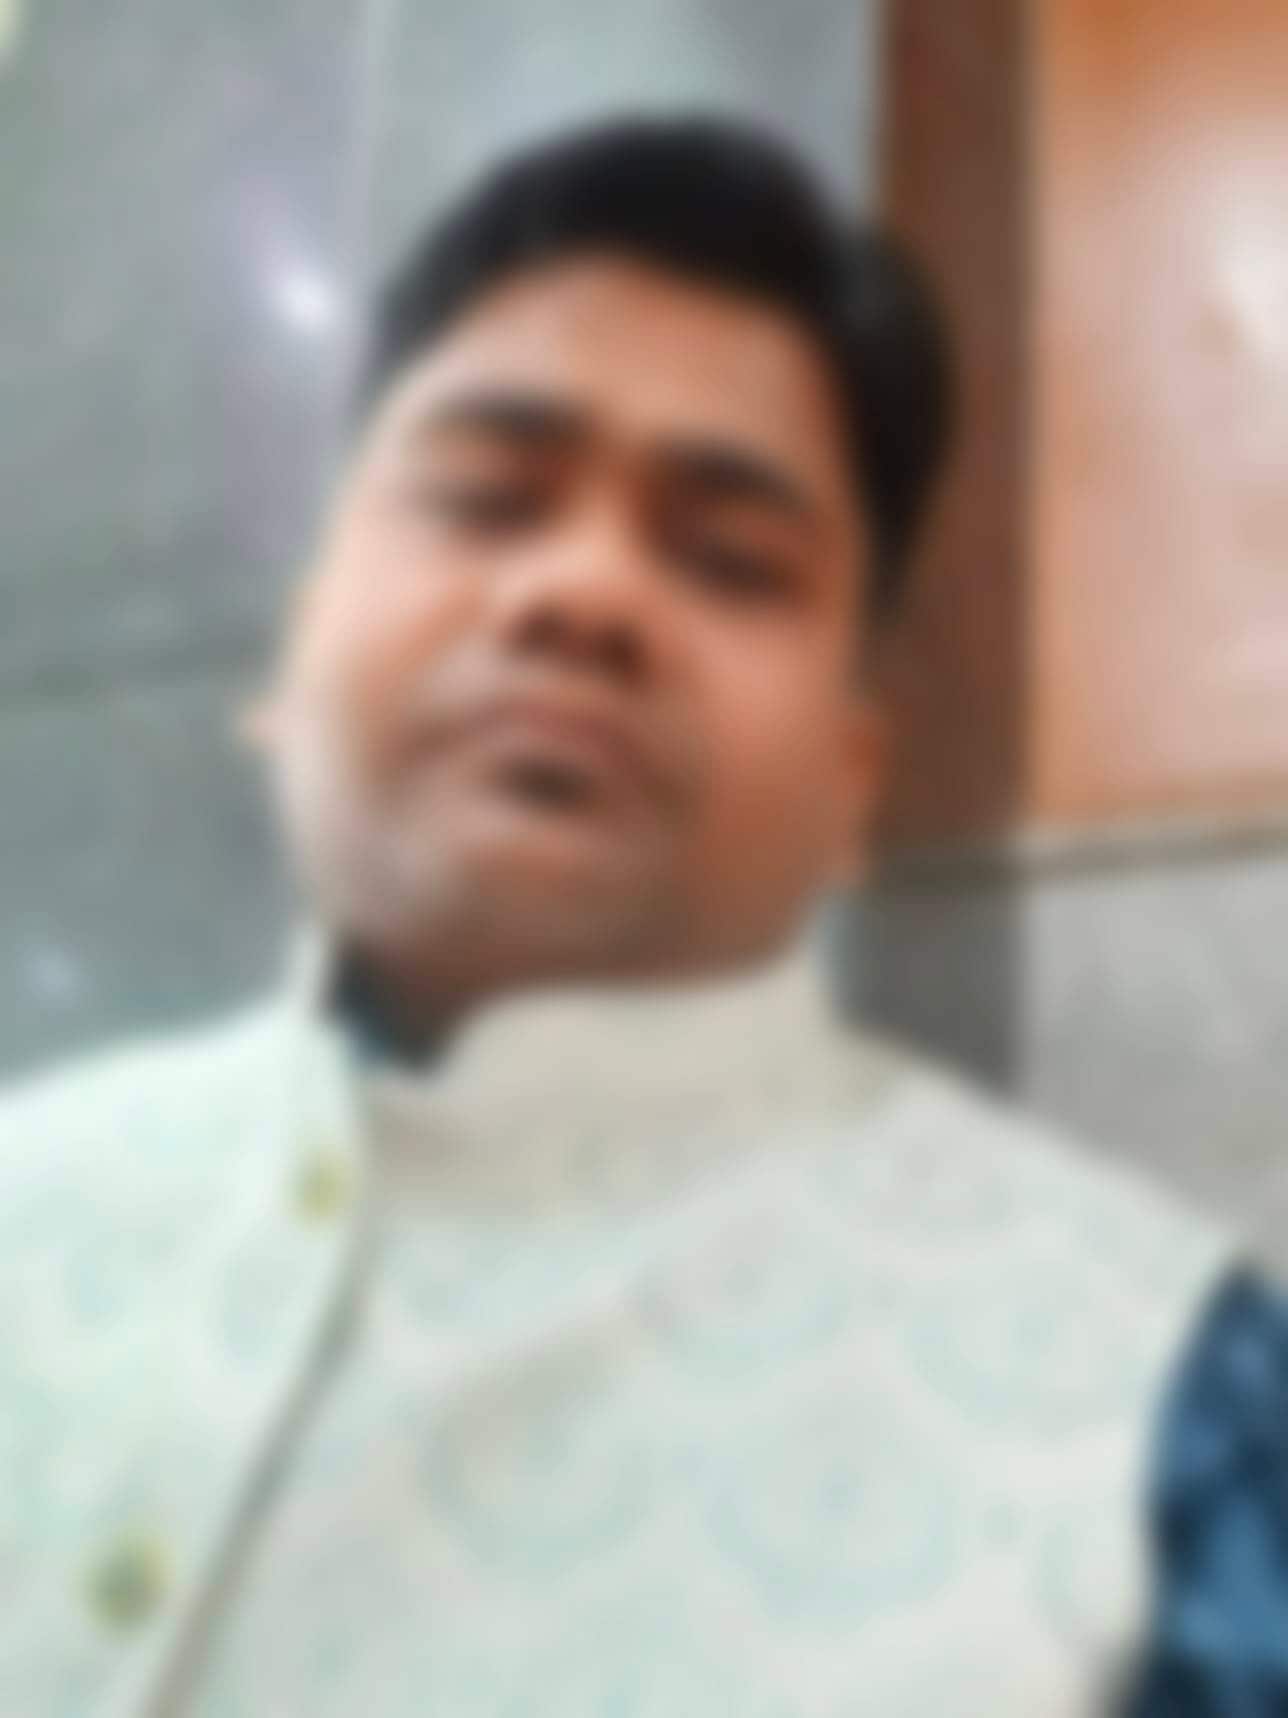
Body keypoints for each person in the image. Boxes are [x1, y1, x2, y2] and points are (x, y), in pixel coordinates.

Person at [0, 115, 1272, 1717]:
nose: (582, 594)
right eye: (485, 498)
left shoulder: (1171, 1402)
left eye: (731, 560)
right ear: (299, 644)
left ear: (854, 779)